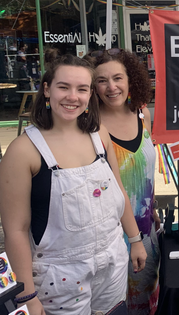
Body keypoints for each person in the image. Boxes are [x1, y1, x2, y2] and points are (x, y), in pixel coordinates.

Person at [0, 53, 147, 315]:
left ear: (90, 94)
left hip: (112, 261)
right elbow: (16, 230)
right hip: (59, 277)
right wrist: (28, 296)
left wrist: (135, 239)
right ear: (47, 89)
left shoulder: (99, 133)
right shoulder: (23, 151)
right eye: (63, 87)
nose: (73, 97)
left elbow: (118, 190)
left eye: (82, 89)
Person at [87, 48, 161, 315]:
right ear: (92, 86)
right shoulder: (90, 127)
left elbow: (145, 170)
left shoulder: (143, 115)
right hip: (111, 239)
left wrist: (151, 208)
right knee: (115, 306)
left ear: (131, 80)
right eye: (101, 80)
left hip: (146, 232)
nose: (111, 87)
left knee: (146, 303)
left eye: (118, 78)